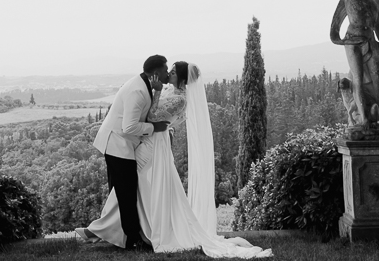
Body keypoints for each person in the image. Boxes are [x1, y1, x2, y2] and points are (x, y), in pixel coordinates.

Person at [79, 61, 272, 258]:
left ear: (180, 78)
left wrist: (156, 92)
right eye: (168, 70)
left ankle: (105, 230)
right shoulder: (172, 93)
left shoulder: (180, 99)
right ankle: (110, 230)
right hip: (149, 141)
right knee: (131, 188)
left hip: (153, 145)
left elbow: (153, 117)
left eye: (172, 71)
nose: (168, 73)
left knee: (133, 188)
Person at [88, 55, 171, 250]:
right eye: (166, 70)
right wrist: (153, 128)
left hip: (121, 143)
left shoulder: (145, 85)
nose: (168, 73)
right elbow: (129, 127)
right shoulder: (137, 90)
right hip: (116, 143)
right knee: (126, 194)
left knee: (122, 192)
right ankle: (133, 240)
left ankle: (118, 235)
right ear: (156, 73)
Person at [329, 0, 379, 130]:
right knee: (357, 77)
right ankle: (363, 117)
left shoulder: (376, 1)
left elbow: (376, 25)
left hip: (370, 39)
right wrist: (338, 39)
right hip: (353, 40)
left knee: (377, 77)